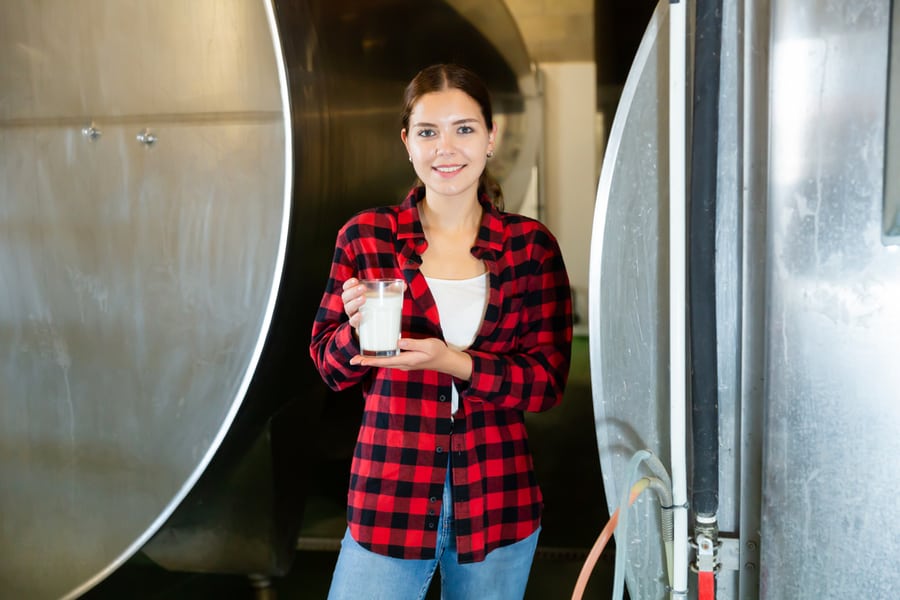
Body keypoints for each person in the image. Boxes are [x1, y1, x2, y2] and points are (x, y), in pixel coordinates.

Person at [309, 63, 573, 600]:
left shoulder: (530, 247)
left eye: (465, 129)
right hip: (390, 493)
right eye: (428, 132)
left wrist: (455, 362)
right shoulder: (367, 237)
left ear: (491, 138)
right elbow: (328, 368)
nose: (446, 148)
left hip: (497, 498)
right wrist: (354, 332)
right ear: (407, 142)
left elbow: (547, 383)